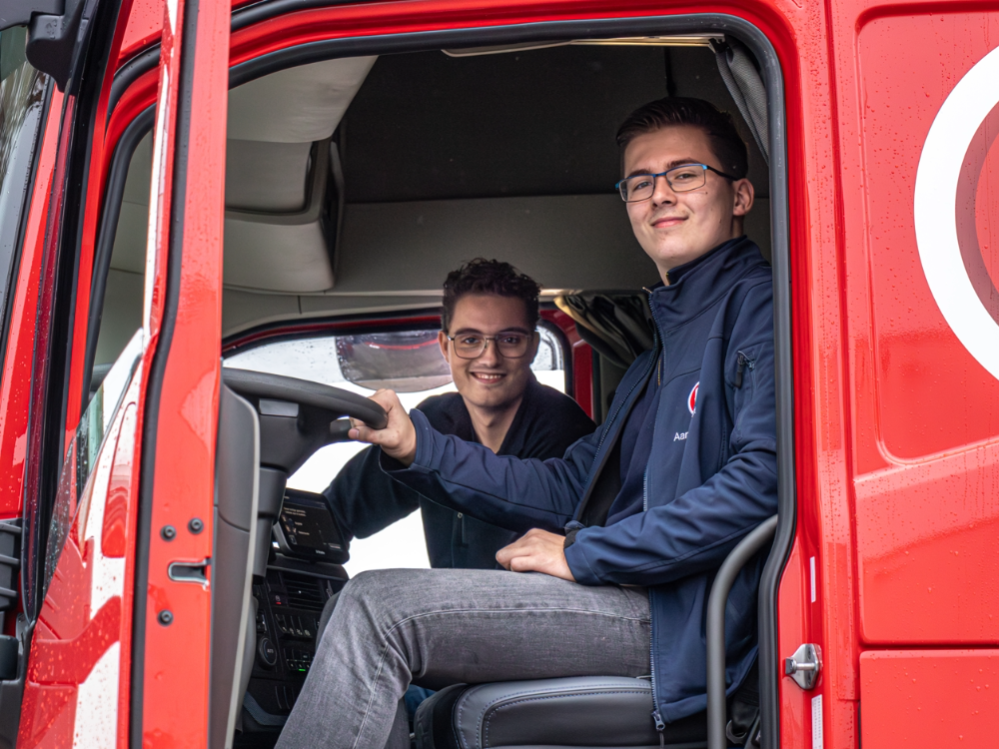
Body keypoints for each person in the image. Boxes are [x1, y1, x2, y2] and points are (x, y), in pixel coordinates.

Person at [276, 97, 777, 749]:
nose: (660, 195)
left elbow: (762, 486)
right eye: (639, 182)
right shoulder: (662, 349)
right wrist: (416, 446)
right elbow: (567, 487)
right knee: (365, 612)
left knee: (375, 608)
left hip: (675, 618)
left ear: (738, 194)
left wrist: (584, 552)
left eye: (684, 174)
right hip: (637, 598)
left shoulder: (758, 310)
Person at [317, 258, 595, 635]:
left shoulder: (568, 432)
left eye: (509, 340)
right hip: (448, 640)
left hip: (528, 639)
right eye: (469, 340)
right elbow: (337, 515)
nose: (489, 357)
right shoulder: (433, 422)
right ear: (445, 346)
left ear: (532, 345)